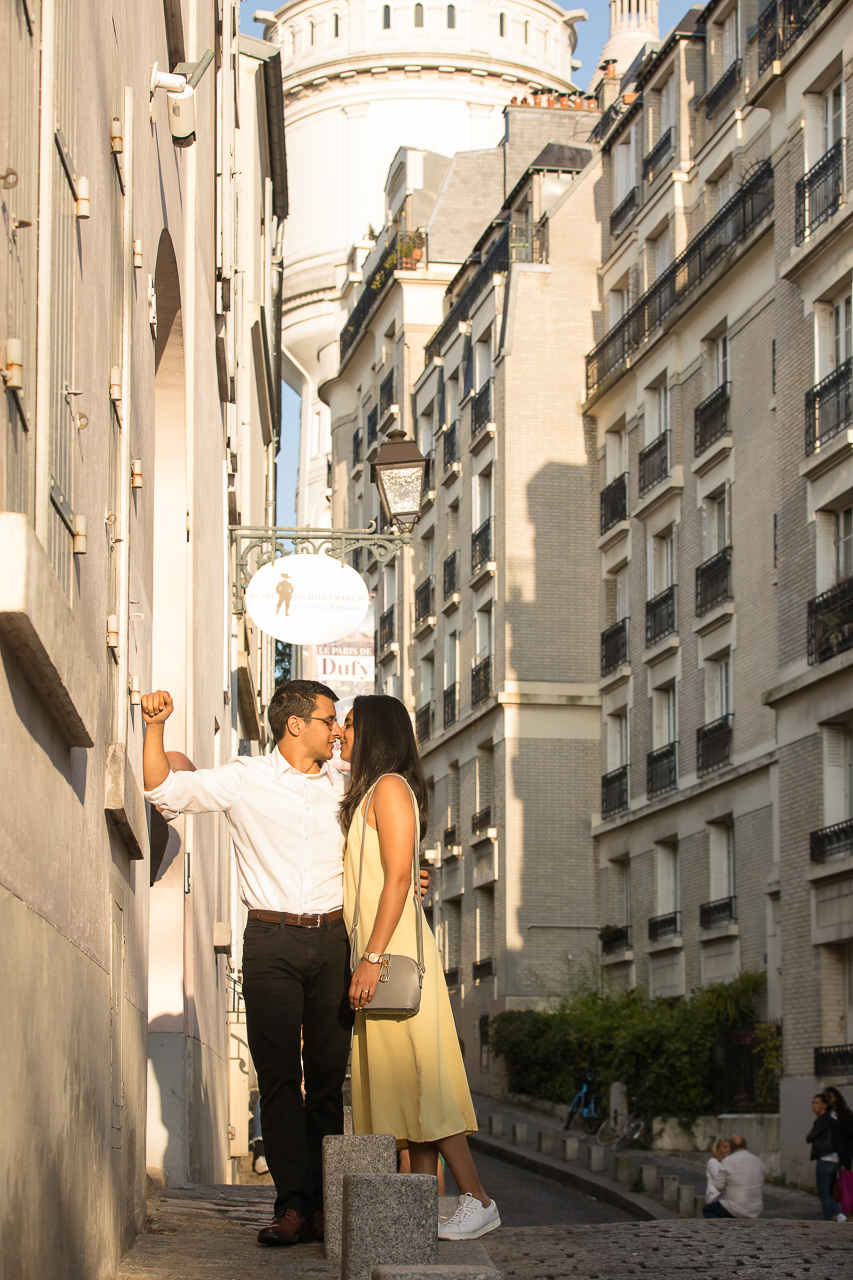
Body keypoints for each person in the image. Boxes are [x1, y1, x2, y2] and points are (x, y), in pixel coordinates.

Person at [142, 680, 428, 1248]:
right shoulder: (244, 777)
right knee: (277, 1079)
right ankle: (291, 1206)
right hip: (269, 940)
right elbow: (163, 790)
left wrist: (415, 875)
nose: (338, 730)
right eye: (329, 720)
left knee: (325, 1080)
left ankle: (324, 1207)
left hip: (333, 943)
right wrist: (153, 726)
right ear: (296, 724)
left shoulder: (352, 787)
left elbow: (387, 853)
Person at [338, 695, 500, 1241]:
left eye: (350, 723)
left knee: (422, 1080)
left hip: (393, 960)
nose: (341, 731)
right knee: (405, 1089)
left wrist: (372, 959)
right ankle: (420, 1212)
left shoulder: (388, 788)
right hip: (385, 954)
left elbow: (400, 877)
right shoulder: (369, 793)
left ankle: (476, 1198)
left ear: (374, 731)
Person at [702, 1133, 765, 1219]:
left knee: (708, 1209)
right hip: (756, 1208)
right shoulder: (758, 1161)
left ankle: (719, 1230)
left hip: (736, 1207)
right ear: (746, 1145)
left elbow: (719, 1186)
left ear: (731, 1147)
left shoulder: (727, 1161)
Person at [807, 1094, 843, 1220]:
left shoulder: (822, 1121)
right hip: (833, 1159)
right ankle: (839, 1214)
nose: (814, 1106)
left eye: (817, 1103)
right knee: (827, 1192)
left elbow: (810, 1137)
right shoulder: (832, 1120)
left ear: (824, 1105)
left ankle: (831, 1218)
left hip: (825, 1159)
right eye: (813, 1103)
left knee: (823, 1192)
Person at [705, 1137, 731, 1204]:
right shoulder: (713, 1162)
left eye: (730, 1147)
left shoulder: (730, 1163)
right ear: (718, 1150)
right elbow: (720, 1180)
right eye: (725, 1147)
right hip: (716, 1195)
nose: (728, 1149)